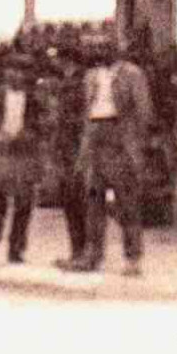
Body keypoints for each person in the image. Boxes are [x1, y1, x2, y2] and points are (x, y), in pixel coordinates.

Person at [64, 33, 153, 276]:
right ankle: (93, 254)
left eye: (106, 46)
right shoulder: (91, 77)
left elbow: (144, 111)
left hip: (119, 135)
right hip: (95, 135)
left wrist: (134, 143)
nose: (100, 51)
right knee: (93, 199)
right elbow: (86, 112)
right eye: (97, 47)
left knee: (127, 201)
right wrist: (85, 145)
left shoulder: (132, 74)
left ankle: (133, 258)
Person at [0, 52, 43, 266]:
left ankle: (17, 249)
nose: (16, 75)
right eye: (12, 70)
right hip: (0, 152)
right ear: (5, 72)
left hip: (24, 153)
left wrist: (29, 135)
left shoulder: (34, 98)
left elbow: (41, 125)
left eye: (22, 71)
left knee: (24, 204)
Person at [49, 47, 90, 268]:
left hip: (73, 150)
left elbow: (77, 120)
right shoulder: (70, 83)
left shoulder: (77, 84)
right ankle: (77, 252)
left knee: (76, 202)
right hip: (67, 149)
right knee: (71, 201)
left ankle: (81, 252)